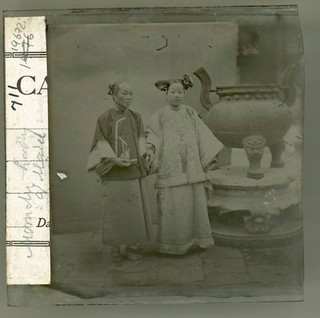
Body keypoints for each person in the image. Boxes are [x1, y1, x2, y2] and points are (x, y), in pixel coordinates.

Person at [146, 75, 223, 255]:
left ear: (184, 93)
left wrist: (208, 156)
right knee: (174, 204)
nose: (177, 95)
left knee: (193, 201)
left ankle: (195, 241)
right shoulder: (160, 115)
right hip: (170, 165)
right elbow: (153, 136)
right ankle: (173, 245)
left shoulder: (190, 112)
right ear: (166, 93)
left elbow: (202, 134)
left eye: (180, 92)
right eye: (173, 92)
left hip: (192, 165)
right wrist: (150, 151)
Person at [87, 81, 153, 262]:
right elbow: (100, 141)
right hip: (113, 172)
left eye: (131, 93)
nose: (129, 97)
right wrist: (114, 159)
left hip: (133, 170)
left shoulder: (136, 117)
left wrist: (144, 156)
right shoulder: (105, 117)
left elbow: (142, 140)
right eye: (124, 93)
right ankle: (115, 246)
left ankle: (133, 245)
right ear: (114, 96)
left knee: (134, 211)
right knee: (115, 210)